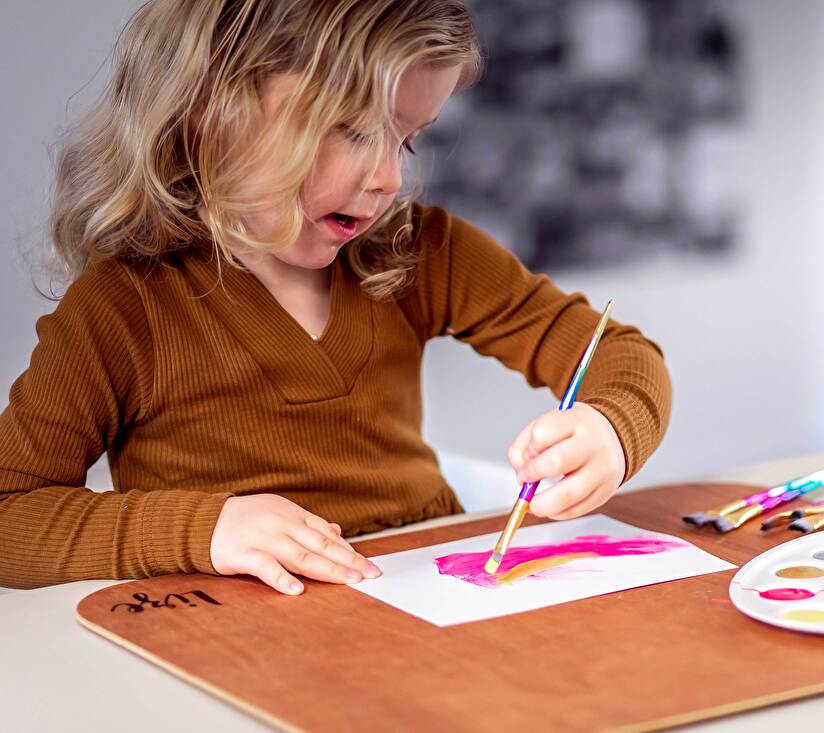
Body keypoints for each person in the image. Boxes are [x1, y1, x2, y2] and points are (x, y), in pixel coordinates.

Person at [0, 0, 671, 595]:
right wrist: (204, 528)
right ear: (213, 107)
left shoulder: (420, 250)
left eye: (406, 139)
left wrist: (611, 427)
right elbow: (9, 516)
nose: (386, 177)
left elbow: (618, 355)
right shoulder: (122, 309)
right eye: (350, 129)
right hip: (239, 651)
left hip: (430, 612)